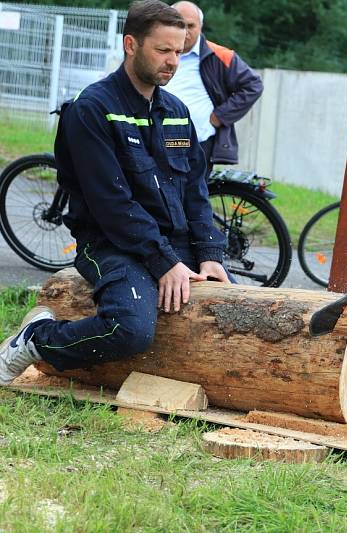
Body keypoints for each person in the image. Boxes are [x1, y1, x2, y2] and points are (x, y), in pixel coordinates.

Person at [0, 0, 230, 386]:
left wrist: (209, 254)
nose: (173, 60)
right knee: (131, 330)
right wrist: (163, 263)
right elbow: (112, 205)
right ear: (131, 45)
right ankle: (35, 340)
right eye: (163, 50)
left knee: (233, 314)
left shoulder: (176, 111)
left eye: (179, 50)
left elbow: (195, 190)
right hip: (108, 243)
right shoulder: (91, 110)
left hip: (172, 245)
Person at [165, 1, 263, 173]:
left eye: (191, 26)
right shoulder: (158, 52)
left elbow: (253, 84)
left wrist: (220, 116)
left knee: (192, 196)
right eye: (179, 25)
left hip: (198, 140)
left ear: (200, 27)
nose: (185, 31)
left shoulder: (219, 55)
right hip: (158, 137)